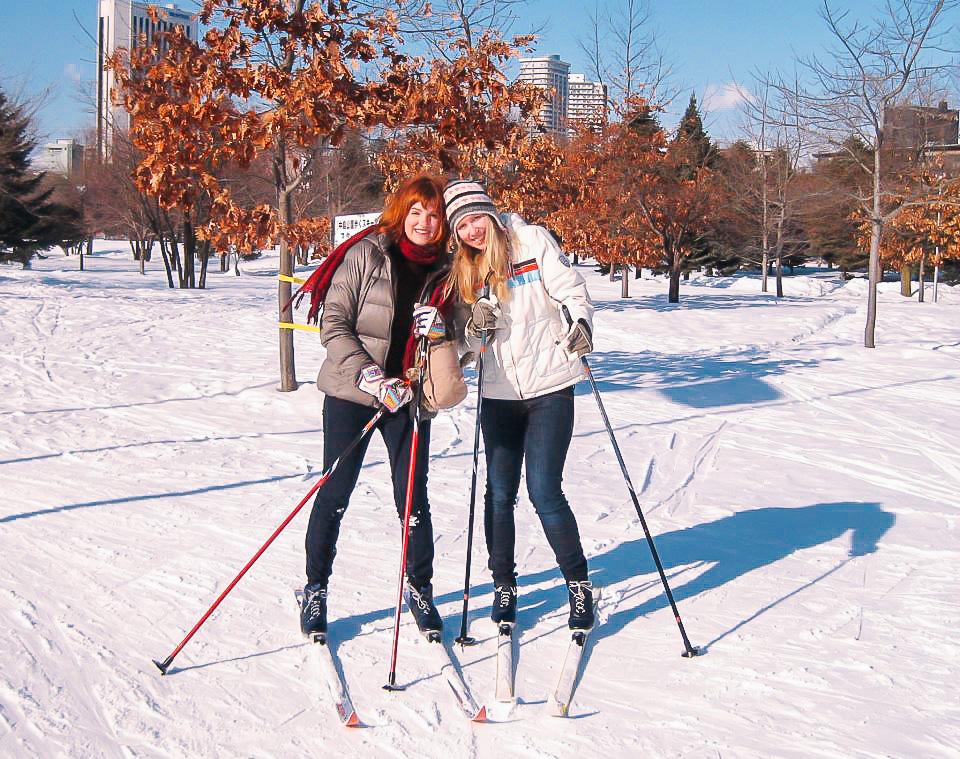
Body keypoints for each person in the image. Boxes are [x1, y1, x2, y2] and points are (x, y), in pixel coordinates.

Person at [300, 175, 453, 638]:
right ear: (400, 212)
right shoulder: (366, 253)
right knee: (335, 492)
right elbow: (335, 323)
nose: (425, 223)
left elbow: (461, 341)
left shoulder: (447, 271)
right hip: (352, 393)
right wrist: (370, 375)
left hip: (408, 397)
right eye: (416, 212)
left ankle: (419, 587)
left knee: (412, 500)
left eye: (433, 214)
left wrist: (443, 333)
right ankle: (315, 587)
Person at [443, 180, 597, 630]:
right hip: (499, 395)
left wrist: (581, 323)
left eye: (475, 219)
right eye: (462, 226)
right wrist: (476, 328)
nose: (471, 230)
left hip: (550, 386)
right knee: (499, 494)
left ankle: (578, 583)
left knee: (544, 491)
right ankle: (503, 583)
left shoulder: (531, 240)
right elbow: (465, 343)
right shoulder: (464, 271)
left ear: (490, 214)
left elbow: (571, 290)